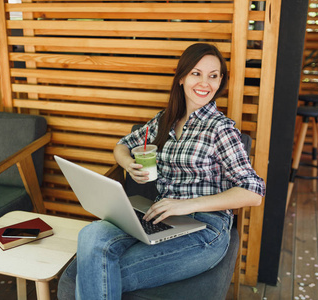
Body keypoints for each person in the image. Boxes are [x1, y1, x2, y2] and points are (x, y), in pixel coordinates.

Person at [76, 42, 266, 300]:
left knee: (98, 272)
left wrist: (186, 205)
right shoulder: (165, 120)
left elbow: (253, 191)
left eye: (213, 76)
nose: (204, 83)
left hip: (205, 228)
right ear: (181, 77)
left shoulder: (221, 129)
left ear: (221, 81)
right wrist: (128, 165)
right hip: (159, 214)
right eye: (196, 73)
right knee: (91, 233)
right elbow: (122, 145)